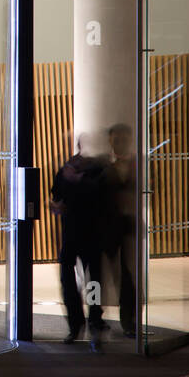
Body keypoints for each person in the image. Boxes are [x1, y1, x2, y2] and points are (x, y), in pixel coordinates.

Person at [50, 131, 114, 351]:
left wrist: (77, 181)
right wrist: (57, 206)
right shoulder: (68, 168)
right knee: (68, 280)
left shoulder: (101, 170)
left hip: (92, 234)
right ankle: (75, 323)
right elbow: (56, 196)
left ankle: (95, 320)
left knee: (93, 281)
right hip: (71, 233)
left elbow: (103, 195)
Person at [104, 122, 137, 338]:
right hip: (107, 226)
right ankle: (98, 317)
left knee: (127, 274)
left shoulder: (138, 164)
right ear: (110, 141)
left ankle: (129, 321)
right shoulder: (103, 165)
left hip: (130, 225)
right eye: (116, 139)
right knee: (105, 272)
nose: (120, 143)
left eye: (124, 139)